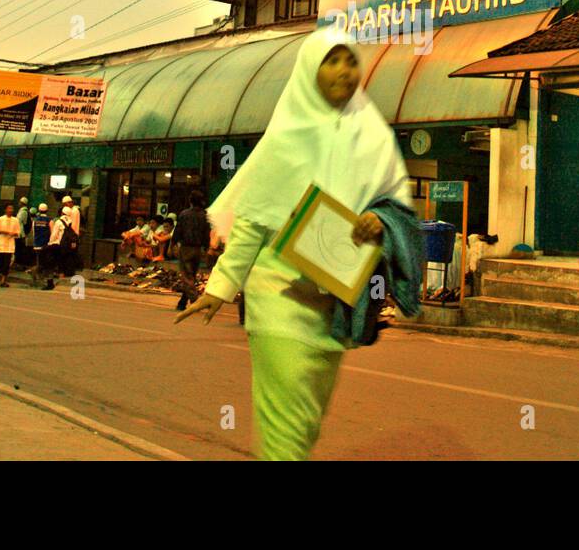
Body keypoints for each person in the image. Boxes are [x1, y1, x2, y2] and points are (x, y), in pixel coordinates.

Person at [176, 27, 420, 461]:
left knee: (306, 421)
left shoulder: (373, 137)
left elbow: (396, 209)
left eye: (350, 61)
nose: (344, 71)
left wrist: (378, 222)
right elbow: (252, 221)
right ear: (310, 70)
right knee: (286, 422)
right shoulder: (285, 137)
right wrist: (219, 288)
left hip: (336, 304)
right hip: (278, 297)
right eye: (332, 60)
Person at [174, 191, 213, 311]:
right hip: (198, 249)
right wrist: (206, 248)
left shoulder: (184, 214)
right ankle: (182, 302)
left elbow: (178, 231)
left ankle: (197, 300)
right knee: (191, 276)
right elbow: (207, 234)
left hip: (186, 248)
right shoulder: (205, 215)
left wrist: (174, 244)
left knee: (186, 276)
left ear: (190, 201)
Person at [0, 204, 21, 287]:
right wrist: (4, 232)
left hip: (9, 245)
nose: (11, 210)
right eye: (9, 208)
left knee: (6, 264)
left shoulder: (16, 220)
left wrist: (13, 233)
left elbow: (18, 233)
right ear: (5, 210)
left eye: (12, 208)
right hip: (0, 245)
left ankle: (3, 281)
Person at [30, 203, 53, 287]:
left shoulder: (35, 220)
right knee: (44, 263)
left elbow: (33, 233)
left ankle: (36, 275)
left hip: (37, 244)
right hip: (45, 245)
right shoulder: (49, 220)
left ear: (39, 210)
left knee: (39, 261)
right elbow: (52, 232)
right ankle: (37, 274)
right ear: (47, 210)